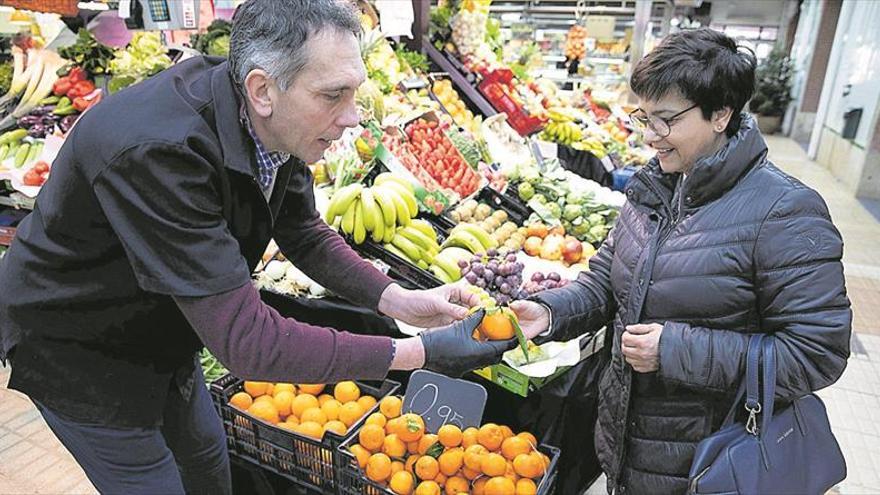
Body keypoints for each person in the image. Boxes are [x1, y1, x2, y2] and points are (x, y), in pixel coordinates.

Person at [0, 1, 512, 493]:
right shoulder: (159, 153)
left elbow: (303, 232)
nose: (353, 117)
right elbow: (247, 342)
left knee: (205, 460)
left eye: (354, 93)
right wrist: (414, 353)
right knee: (151, 480)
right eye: (333, 95)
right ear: (262, 89)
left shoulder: (271, 121)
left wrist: (396, 300)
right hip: (80, 347)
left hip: (164, 327)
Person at [512, 28, 852, 494]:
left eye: (666, 120)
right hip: (628, 451)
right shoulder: (655, 189)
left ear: (721, 114)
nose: (650, 136)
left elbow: (816, 353)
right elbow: (607, 283)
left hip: (713, 464)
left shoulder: (785, 213)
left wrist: (674, 350)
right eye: (644, 117)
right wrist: (551, 312)